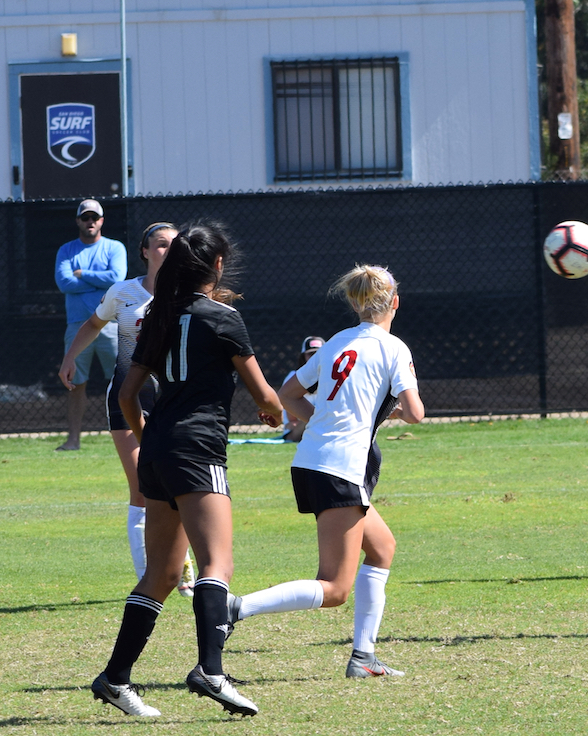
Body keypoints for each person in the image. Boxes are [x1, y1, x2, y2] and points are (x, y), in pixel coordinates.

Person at [90, 222, 283, 718]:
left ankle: (115, 679)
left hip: (155, 451)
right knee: (217, 565)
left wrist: (145, 432)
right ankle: (211, 671)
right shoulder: (224, 318)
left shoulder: (156, 316)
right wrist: (276, 413)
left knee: (161, 573)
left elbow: (128, 395)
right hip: (198, 450)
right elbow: (264, 395)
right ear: (217, 265)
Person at [226, 265, 423, 678]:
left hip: (313, 461)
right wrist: (401, 400)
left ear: (354, 303)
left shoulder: (335, 342)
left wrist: (322, 421)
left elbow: (286, 395)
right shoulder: (394, 348)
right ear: (397, 303)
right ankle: (235, 608)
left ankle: (363, 658)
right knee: (334, 588)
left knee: (382, 548)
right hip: (339, 468)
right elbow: (417, 414)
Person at [59, 222, 195, 597]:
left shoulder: (189, 296)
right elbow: (93, 323)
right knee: (142, 488)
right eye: (161, 244)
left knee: (179, 486)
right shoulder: (124, 292)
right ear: (145, 251)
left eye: (174, 245)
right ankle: (150, 579)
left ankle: (183, 569)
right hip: (128, 399)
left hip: (172, 403)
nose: (168, 250)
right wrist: (71, 357)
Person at [54, 199, 127, 451]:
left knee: (123, 382)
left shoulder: (114, 248)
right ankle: (73, 440)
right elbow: (64, 284)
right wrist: (99, 281)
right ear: (78, 221)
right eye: (85, 218)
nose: (90, 222)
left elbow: (116, 279)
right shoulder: (66, 250)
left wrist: (82, 274)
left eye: (95, 217)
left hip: (111, 324)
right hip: (77, 326)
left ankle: (130, 437)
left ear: (102, 221)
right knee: (75, 384)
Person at [281, 335, 325, 442]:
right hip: (299, 430)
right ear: (303, 357)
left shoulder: (331, 377)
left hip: (323, 427)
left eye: (318, 353)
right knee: (315, 416)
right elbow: (292, 421)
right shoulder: (294, 377)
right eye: (311, 354)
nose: (315, 357)